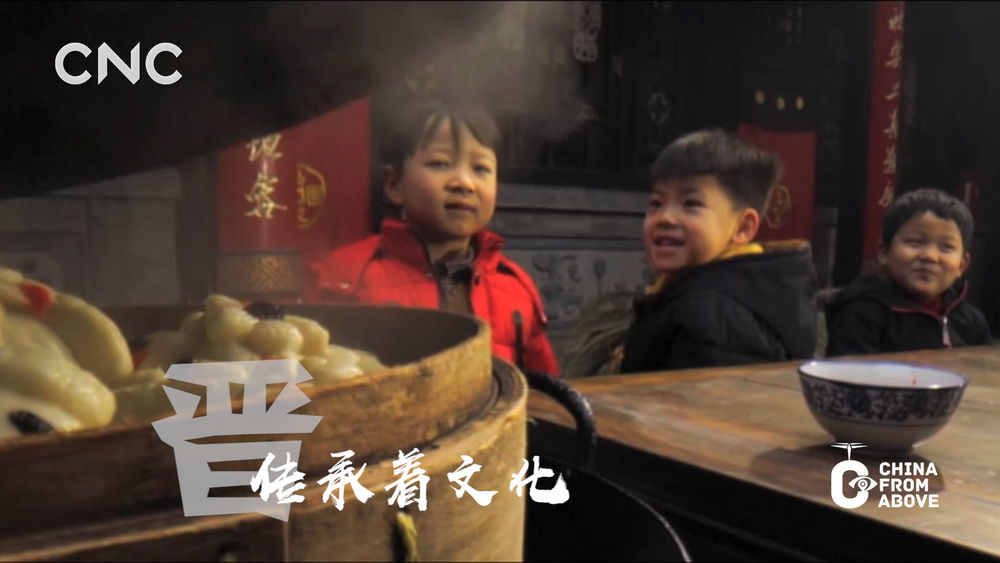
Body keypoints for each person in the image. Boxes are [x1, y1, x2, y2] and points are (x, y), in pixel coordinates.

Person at [308, 97, 559, 375]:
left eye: (480, 168)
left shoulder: (514, 287)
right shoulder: (344, 279)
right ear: (394, 184)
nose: (464, 183)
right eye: (440, 164)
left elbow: (549, 390)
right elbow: (294, 381)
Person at [620, 129, 817, 373]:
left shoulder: (715, 317)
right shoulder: (690, 294)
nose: (665, 217)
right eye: (656, 203)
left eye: (691, 204)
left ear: (743, 227)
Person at [825, 188, 992, 356]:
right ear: (883, 252)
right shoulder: (861, 315)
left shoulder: (972, 322)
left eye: (945, 247)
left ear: (962, 265)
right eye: (915, 242)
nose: (929, 256)